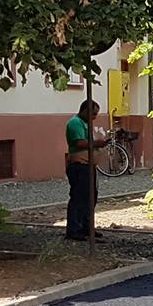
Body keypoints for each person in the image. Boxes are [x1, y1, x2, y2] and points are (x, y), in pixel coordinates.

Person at [65, 99, 107, 241]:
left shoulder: (85, 123)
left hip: (88, 165)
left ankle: (86, 227)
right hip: (79, 165)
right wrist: (97, 143)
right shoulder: (75, 123)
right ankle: (74, 229)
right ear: (85, 110)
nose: (94, 117)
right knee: (79, 197)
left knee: (90, 197)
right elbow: (80, 142)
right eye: (93, 114)